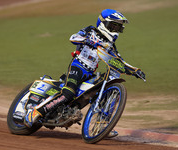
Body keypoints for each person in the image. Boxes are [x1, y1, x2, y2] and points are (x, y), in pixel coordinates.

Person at [24, 9, 145, 138]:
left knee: (105, 86)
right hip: (78, 67)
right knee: (68, 93)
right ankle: (36, 112)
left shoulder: (110, 44)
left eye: (118, 27)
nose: (115, 29)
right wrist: (86, 40)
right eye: (113, 25)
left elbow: (119, 61)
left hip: (90, 74)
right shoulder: (90, 31)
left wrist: (135, 71)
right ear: (103, 23)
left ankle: (103, 124)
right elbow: (73, 37)